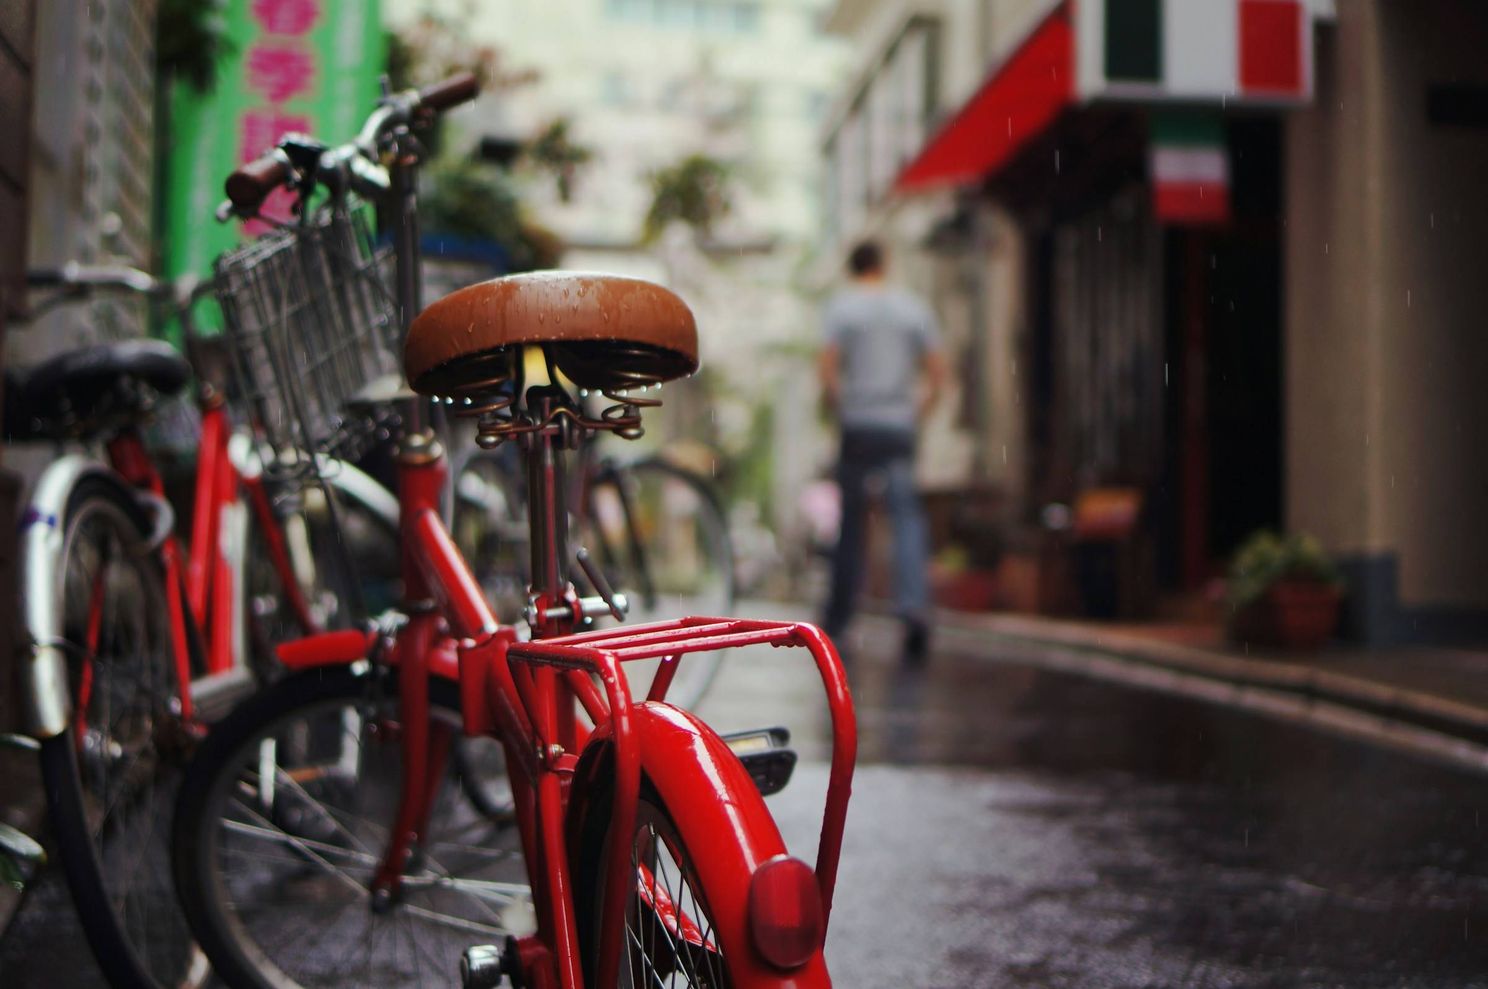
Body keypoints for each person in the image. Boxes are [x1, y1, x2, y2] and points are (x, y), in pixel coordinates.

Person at [818, 240, 947, 665]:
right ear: (884, 263)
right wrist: (917, 412)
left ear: (853, 268)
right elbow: (937, 371)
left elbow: (828, 369)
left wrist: (844, 406)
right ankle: (912, 610)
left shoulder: (842, 308)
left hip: (858, 425)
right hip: (898, 426)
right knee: (906, 519)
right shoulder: (911, 308)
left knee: (852, 523)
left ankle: (839, 619)